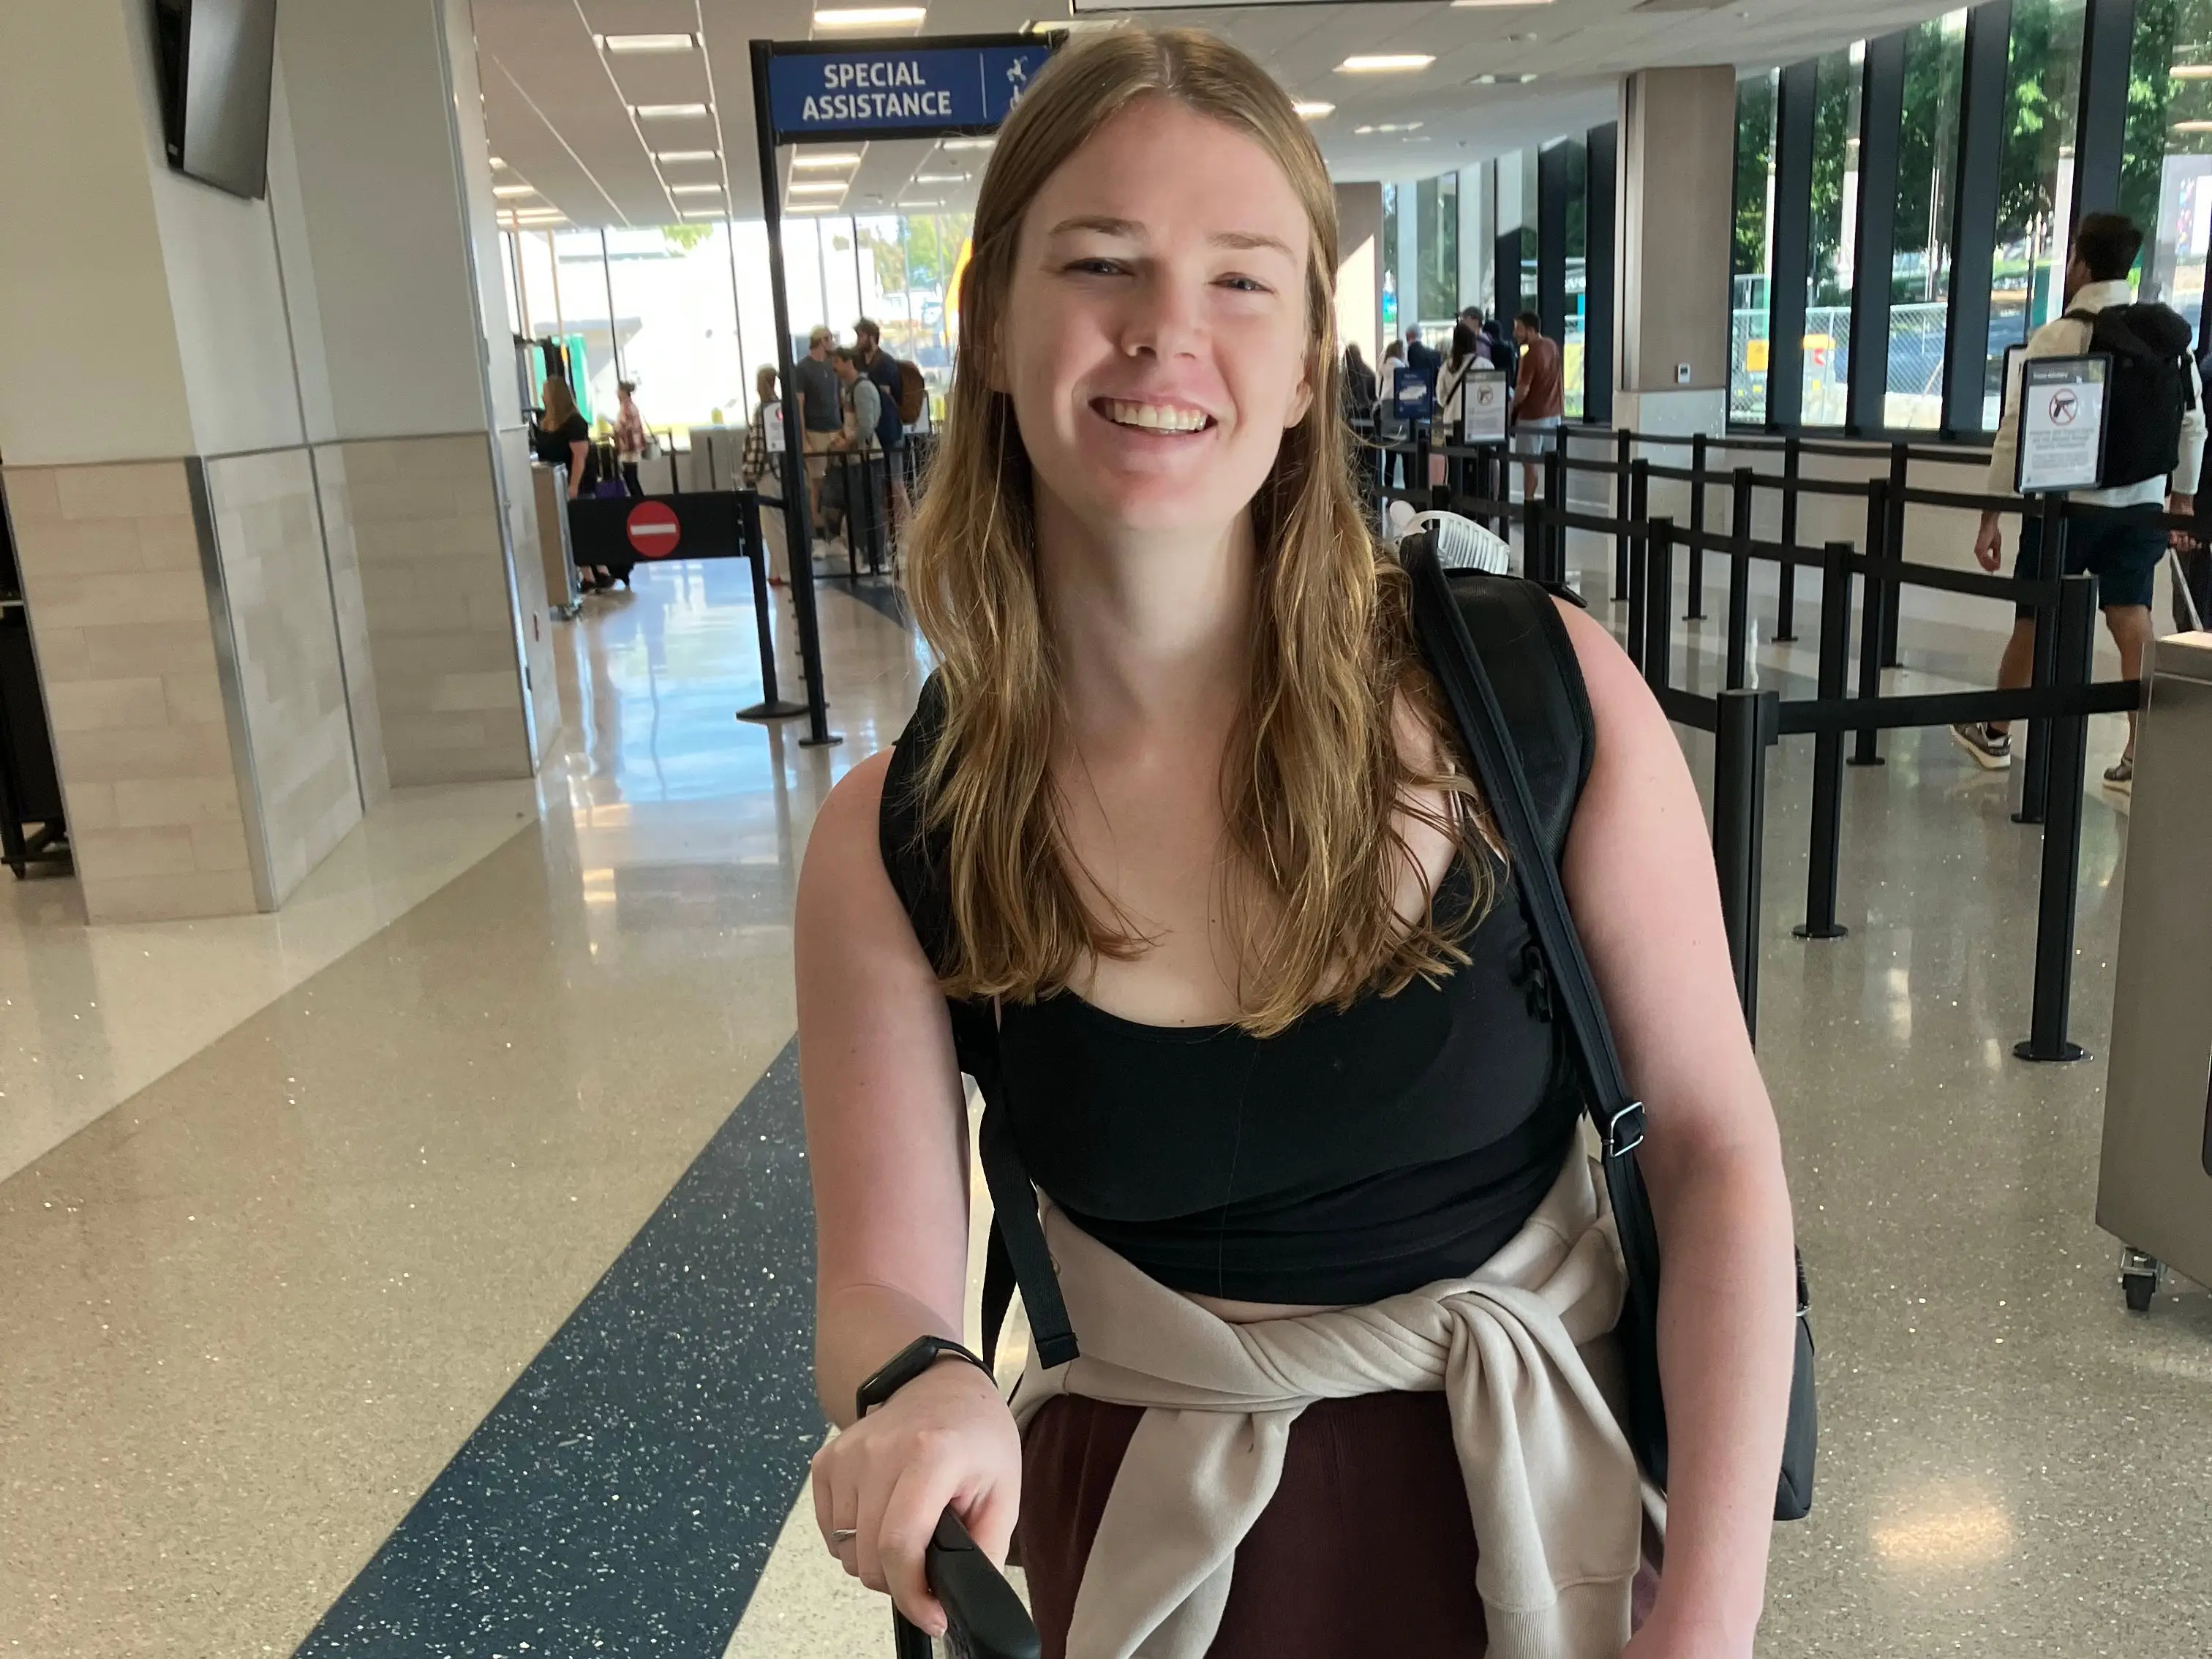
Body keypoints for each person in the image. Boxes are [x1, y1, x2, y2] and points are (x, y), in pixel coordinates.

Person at [798, 25, 1797, 1659]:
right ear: (989, 329)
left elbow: (1711, 1152)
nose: (1165, 331)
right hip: (1158, 1560)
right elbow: (881, 1283)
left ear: (1311, 352)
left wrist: (1707, 1621)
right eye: (1099, 261)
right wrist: (925, 1384)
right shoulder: (906, 832)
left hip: (1545, 1524)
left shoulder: (1526, 697)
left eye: (1242, 280)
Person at [1952, 211, 2204, 793]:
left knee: (2036, 617)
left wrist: (1991, 516)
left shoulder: (2059, 337)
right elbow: (2194, 426)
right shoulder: (2168, 339)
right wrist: (2183, 500)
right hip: (2140, 505)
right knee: (2132, 617)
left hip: (2064, 508)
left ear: (2081, 264)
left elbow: (2015, 433)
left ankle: (1995, 732)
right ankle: (2141, 753)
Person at [533, 378, 614, 592]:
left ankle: (603, 571)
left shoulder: (574, 422)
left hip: (578, 484)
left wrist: (573, 485)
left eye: (545, 392)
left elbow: (580, 457)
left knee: (586, 528)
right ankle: (588, 577)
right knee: (572, 532)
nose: (542, 396)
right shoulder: (545, 422)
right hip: (554, 484)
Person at [821, 345, 884, 551]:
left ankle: (873, 555)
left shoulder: (862, 388)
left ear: (849, 362)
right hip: (856, 458)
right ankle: (862, 552)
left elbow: (866, 426)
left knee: (868, 510)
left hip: (866, 458)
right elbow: (852, 425)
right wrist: (840, 439)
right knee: (857, 510)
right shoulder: (850, 389)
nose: (834, 367)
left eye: (837, 362)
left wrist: (846, 445)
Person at [854, 317, 913, 538]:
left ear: (871, 336)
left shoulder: (885, 362)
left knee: (896, 483)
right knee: (881, 484)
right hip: (876, 432)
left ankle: (907, 529)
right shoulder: (863, 363)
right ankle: (891, 531)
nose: (858, 340)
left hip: (890, 430)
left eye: (861, 335)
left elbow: (889, 397)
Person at [741, 364, 791, 587]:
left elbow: (758, 446)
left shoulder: (762, 410)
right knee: (778, 521)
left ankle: (787, 571)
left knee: (772, 525)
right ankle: (776, 572)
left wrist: (749, 470)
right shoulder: (780, 407)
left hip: (767, 472)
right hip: (780, 470)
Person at [794, 324, 845, 542]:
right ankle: (819, 534)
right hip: (815, 431)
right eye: (829, 338)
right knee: (817, 484)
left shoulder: (833, 366)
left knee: (837, 483)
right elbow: (799, 405)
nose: (832, 342)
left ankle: (836, 532)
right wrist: (804, 439)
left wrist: (844, 429)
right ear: (821, 340)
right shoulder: (803, 368)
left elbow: (840, 398)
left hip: (835, 429)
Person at [1511, 309, 1562, 503]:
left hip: (1532, 417)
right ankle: (1553, 503)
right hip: (1554, 414)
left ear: (1531, 330)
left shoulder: (1530, 355)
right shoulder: (1552, 346)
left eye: (1519, 329)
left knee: (1529, 463)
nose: (1515, 334)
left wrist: (1510, 407)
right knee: (1552, 461)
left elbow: (1523, 390)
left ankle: (1529, 503)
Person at [1432, 320, 1483, 486]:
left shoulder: (1447, 367)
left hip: (1451, 426)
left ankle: (1455, 501)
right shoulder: (1484, 365)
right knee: (1476, 472)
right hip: (1477, 427)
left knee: (1455, 471)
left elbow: (1441, 398)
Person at [612, 380, 649, 497]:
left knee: (631, 479)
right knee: (632, 478)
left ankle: (639, 503)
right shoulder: (630, 406)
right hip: (633, 446)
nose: (617, 392)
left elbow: (624, 427)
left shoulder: (626, 408)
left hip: (629, 447)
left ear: (623, 392)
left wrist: (615, 429)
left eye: (618, 390)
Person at [1404, 323, 1442, 398]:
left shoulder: (1406, 353)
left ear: (1410, 335)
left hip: (1413, 395)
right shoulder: (1435, 354)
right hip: (1431, 394)